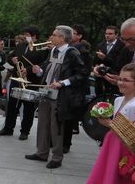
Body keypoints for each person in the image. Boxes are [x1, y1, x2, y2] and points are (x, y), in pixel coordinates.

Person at [25, 25, 88, 168]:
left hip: (61, 95)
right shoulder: (53, 50)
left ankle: (57, 158)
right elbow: (48, 68)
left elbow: (82, 73)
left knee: (56, 127)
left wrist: (63, 83)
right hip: (46, 92)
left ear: (62, 38)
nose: (51, 37)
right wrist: (39, 70)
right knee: (42, 124)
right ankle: (41, 153)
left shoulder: (72, 52)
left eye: (54, 35)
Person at [0, 26, 49, 140]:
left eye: (28, 35)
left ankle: (25, 131)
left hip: (30, 81)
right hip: (16, 78)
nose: (26, 37)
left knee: (28, 108)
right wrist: (12, 60)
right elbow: (10, 57)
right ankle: (8, 128)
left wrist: (28, 70)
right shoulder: (21, 45)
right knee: (12, 105)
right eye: (25, 34)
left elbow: (42, 64)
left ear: (34, 36)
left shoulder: (41, 48)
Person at [62, 24, 92, 152]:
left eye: (74, 33)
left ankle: (65, 144)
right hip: (63, 86)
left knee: (68, 118)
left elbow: (83, 72)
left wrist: (69, 81)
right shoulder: (66, 49)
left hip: (74, 88)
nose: (71, 35)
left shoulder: (82, 52)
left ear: (79, 36)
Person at [93, 25, 125, 95]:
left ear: (116, 35)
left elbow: (119, 63)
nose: (107, 35)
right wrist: (96, 67)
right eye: (106, 33)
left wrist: (105, 58)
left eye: (110, 34)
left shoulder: (122, 46)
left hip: (113, 78)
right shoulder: (100, 45)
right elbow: (95, 61)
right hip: (100, 78)